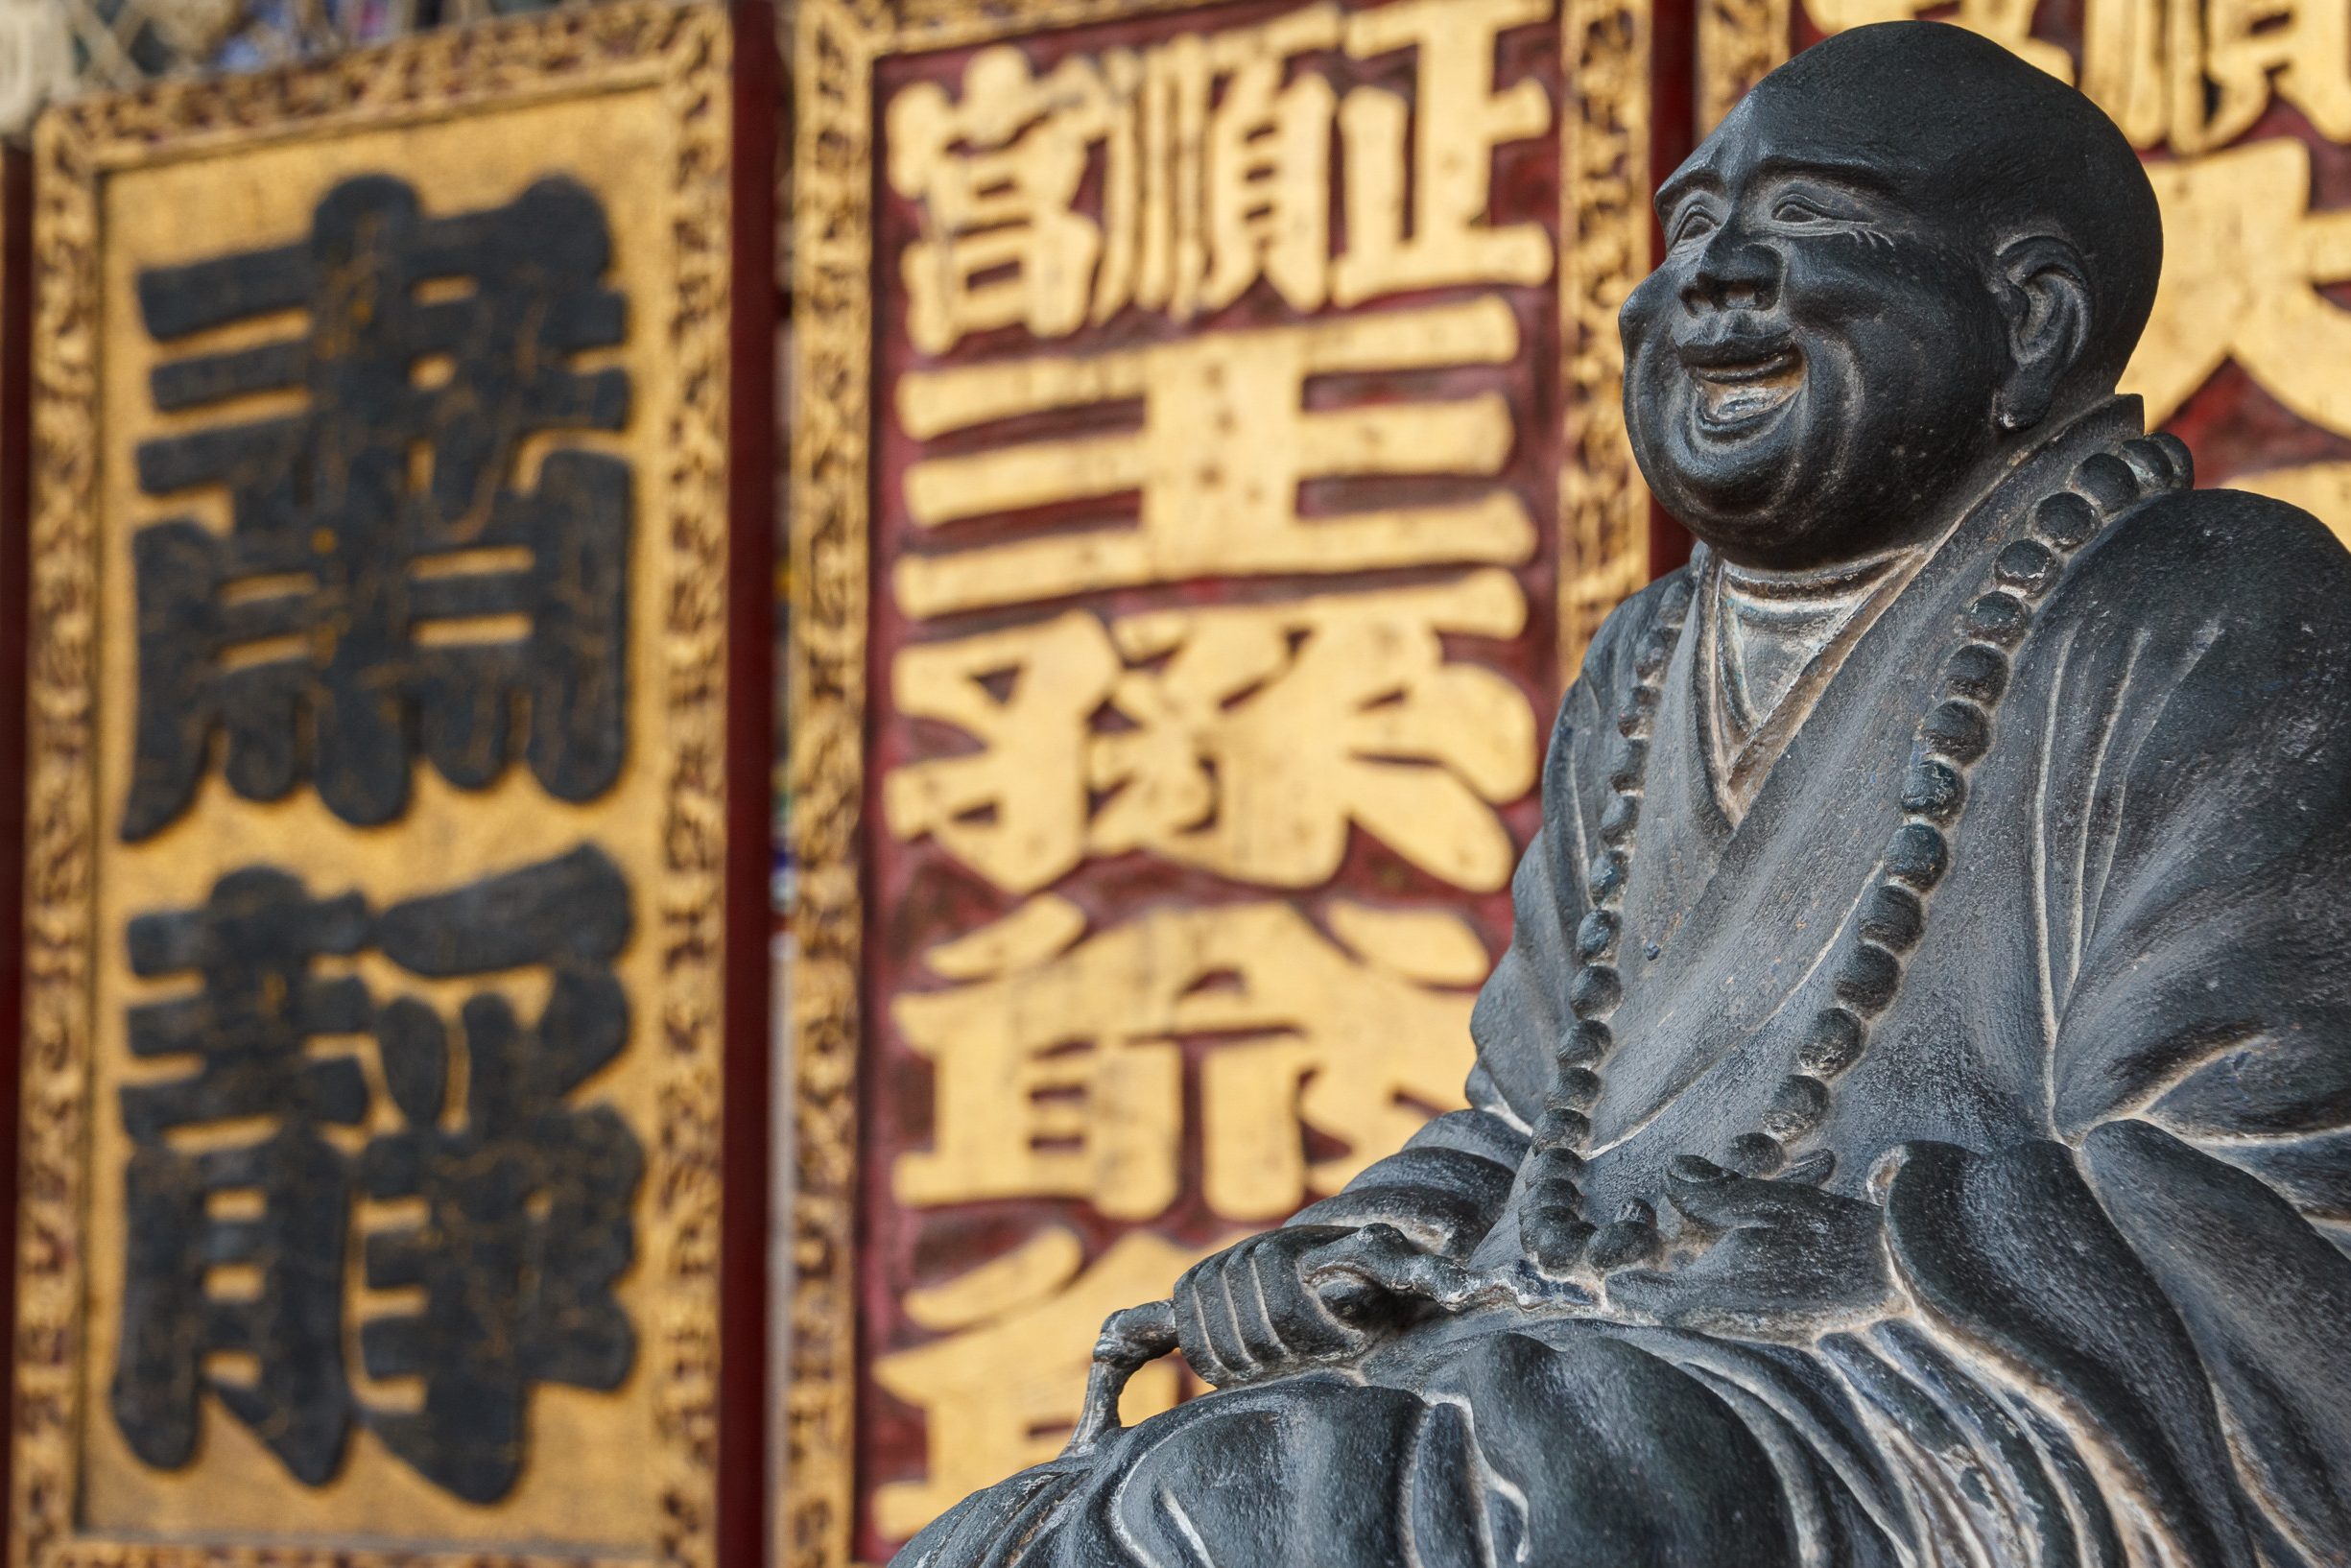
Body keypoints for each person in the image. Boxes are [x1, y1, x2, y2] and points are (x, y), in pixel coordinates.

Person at [897, 22, 2351, 1565]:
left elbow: (2270, 1183)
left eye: (1806, 224)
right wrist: (1350, 1246)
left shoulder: (2202, 607)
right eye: (1693, 230)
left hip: (1941, 1390)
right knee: (1057, 1523)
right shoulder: (1647, 663)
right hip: (1604, 1342)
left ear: (2030, 321)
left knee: (1383, 1501)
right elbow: (1540, 1117)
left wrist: (1886, 1253)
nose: (1713, 278)